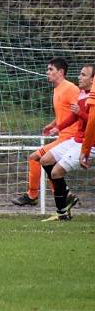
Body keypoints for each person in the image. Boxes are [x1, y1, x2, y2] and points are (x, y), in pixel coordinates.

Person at [12, 57, 79, 206]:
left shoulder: (71, 88)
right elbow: (66, 113)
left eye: (50, 70)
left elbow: (79, 112)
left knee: (34, 157)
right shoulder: (57, 89)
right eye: (47, 69)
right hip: (63, 137)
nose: (47, 72)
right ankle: (64, 195)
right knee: (47, 164)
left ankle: (32, 194)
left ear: (60, 72)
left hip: (71, 139)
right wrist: (52, 124)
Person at [38, 64, 93, 221]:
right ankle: (66, 201)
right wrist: (57, 127)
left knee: (55, 173)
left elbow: (92, 122)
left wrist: (80, 113)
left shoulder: (92, 97)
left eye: (83, 75)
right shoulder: (82, 93)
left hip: (89, 143)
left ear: (92, 79)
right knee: (45, 160)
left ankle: (62, 210)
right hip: (76, 140)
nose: (79, 77)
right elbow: (75, 117)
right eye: (80, 74)